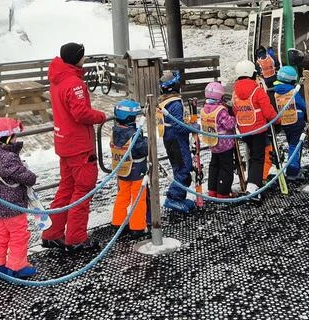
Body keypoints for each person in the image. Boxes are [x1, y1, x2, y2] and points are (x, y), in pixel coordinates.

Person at [40, 42, 107, 252]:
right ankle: (76, 237)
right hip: (79, 145)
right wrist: (100, 116)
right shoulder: (74, 83)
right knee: (83, 190)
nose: (84, 59)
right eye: (83, 56)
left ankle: (52, 232)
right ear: (77, 58)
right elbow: (81, 114)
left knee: (66, 189)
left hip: (64, 142)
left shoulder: (58, 78)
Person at [0, 117, 37, 280]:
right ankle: (18, 266)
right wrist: (31, 175)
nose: (16, 139)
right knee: (19, 235)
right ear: (6, 139)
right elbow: (24, 176)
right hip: (13, 206)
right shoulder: (8, 158)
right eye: (14, 137)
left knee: (1, 235)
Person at [231, 59, 276, 202]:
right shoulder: (257, 90)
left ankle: (252, 183)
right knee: (258, 157)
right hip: (258, 128)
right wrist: (277, 120)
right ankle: (253, 187)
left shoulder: (235, 92)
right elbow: (268, 111)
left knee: (252, 157)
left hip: (244, 129)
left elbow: (234, 109)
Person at [109, 99, 149, 240]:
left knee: (122, 196)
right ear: (130, 118)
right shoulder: (134, 135)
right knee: (138, 198)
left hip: (122, 170)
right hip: (136, 170)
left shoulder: (115, 132)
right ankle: (137, 227)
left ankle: (117, 223)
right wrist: (145, 139)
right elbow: (143, 150)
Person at [158, 70, 195, 213]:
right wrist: (193, 127)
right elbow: (179, 126)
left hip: (170, 139)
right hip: (176, 140)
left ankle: (180, 196)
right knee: (185, 167)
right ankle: (173, 197)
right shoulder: (174, 104)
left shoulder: (165, 101)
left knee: (178, 167)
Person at [200, 81, 237, 198]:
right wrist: (233, 117)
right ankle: (223, 192)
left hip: (212, 143)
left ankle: (212, 189)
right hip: (225, 144)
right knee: (226, 168)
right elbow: (229, 125)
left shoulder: (205, 108)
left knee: (214, 165)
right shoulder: (220, 110)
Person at [273, 66, 306, 179]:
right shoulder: (293, 91)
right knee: (295, 145)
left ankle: (296, 166)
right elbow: (302, 105)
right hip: (296, 120)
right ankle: (293, 170)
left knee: (292, 143)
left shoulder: (276, 91)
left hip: (285, 122)